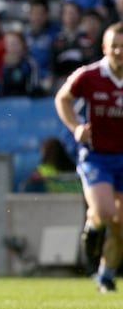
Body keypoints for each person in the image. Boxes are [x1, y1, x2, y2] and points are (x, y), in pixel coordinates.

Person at [55, 21, 123, 293]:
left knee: (121, 225)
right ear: (105, 47)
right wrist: (76, 128)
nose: (119, 51)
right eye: (115, 46)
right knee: (105, 211)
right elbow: (63, 99)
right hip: (97, 156)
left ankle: (105, 275)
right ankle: (92, 226)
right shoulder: (89, 75)